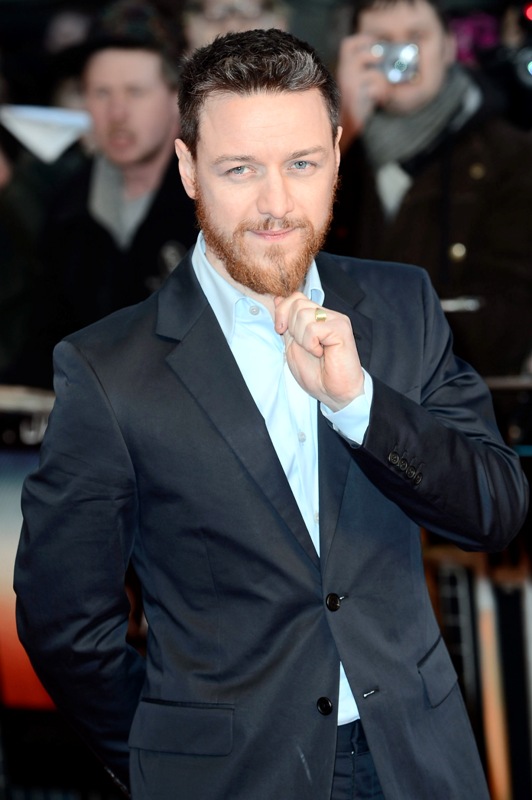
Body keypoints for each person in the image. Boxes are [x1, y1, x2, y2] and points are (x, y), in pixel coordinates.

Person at [14, 27, 528, 800]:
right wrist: (163, 757)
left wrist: (360, 406)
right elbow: (64, 621)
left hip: (416, 760)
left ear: (337, 157)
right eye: (240, 169)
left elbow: (496, 509)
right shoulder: (107, 369)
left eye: (302, 164)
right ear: (189, 169)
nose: (277, 204)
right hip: (231, 777)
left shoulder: (401, 305)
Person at [326, 0, 532, 378]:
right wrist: (341, 126)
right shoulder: (333, 153)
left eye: (416, 37)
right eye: (382, 42)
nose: (403, 55)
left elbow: (506, 320)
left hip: (459, 396)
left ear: (449, 47)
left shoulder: (512, 156)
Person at [1, 0, 196, 389]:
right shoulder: (65, 207)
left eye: (135, 92)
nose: (117, 113)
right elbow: (42, 342)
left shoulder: (214, 204)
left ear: (177, 100)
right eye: (101, 92)